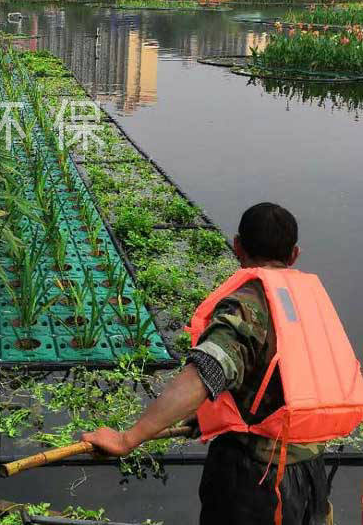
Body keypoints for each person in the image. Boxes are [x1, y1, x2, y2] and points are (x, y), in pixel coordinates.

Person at [83, 203, 362, 525]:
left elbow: (204, 374)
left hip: (257, 481)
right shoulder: (310, 302)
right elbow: (285, 383)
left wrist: (127, 438)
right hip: (310, 474)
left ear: (237, 246)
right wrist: (208, 416)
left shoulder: (247, 306)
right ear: (294, 254)